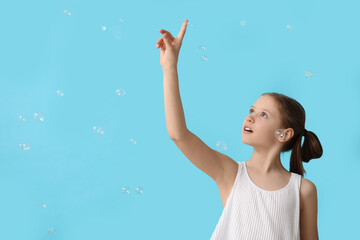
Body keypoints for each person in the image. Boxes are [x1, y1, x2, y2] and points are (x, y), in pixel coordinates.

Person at [156, 20, 322, 240]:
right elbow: (179, 135)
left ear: (284, 134)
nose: (250, 117)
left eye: (263, 114)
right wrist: (170, 67)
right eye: (252, 110)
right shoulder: (231, 173)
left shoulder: (304, 190)